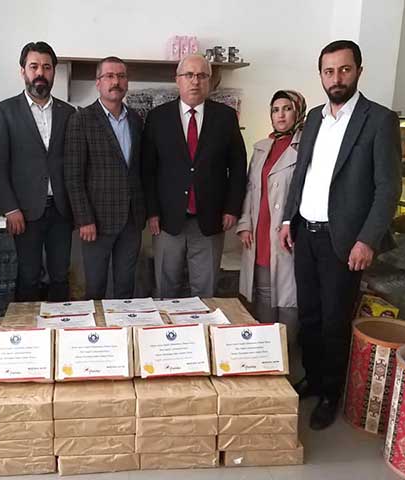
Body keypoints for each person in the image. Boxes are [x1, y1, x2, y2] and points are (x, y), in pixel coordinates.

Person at [280, 40, 402, 430]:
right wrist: (288, 221)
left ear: (358, 71)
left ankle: (331, 393)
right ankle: (314, 378)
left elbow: (388, 188)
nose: (337, 78)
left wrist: (367, 239)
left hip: (345, 241)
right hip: (306, 234)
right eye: (329, 71)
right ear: (321, 75)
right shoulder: (314, 119)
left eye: (344, 70)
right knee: (310, 315)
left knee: (335, 321)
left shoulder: (379, 120)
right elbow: (302, 174)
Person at [142, 54, 247, 298]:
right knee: (166, 290)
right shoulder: (158, 117)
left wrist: (232, 208)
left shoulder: (226, 117)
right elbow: (148, 169)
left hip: (210, 219)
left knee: (205, 292)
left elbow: (238, 166)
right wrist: (152, 211)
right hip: (168, 221)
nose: (195, 81)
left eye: (202, 75)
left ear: (210, 81)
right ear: (177, 79)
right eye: (188, 75)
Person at [0, 41, 76, 301]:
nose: (40, 73)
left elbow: (74, 163)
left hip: (61, 210)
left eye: (47, 67)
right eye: (34, 66)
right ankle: (28, 326)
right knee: (28, 276)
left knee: (60, 275)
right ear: (23, 71)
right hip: (24, 212)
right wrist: (10, 208)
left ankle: (61, 323)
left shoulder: (68, 112)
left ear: (53, 72)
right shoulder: (5, 111)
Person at [64, 57, 145, 299]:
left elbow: (139, 169)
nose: (116, 81)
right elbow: (73, 175)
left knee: (126, 287)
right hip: (96, 222)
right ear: (98, 82)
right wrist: (84, 219)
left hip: (132, 219)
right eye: (109, 76)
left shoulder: (136, 120)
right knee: (95, 288)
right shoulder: (82, 119)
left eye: (121, 76)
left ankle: (124, 324)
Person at [237, 90, 306, 341]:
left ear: (298, 112)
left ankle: (289, 357)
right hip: (261, 231)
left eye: (287, 109)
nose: (280, 115)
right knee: (264, 296)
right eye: (275, 110)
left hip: (290, 233)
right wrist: (245, 223)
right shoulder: (261, 148)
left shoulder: (307, 146)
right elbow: (249, 188)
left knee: (290, 299)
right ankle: (267, 353)